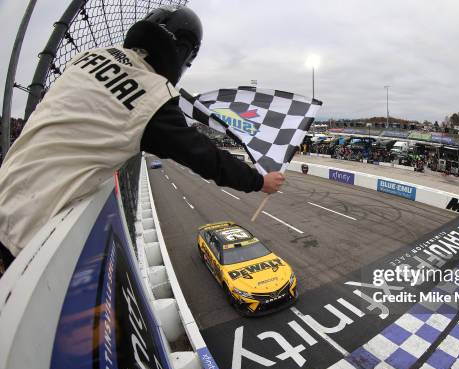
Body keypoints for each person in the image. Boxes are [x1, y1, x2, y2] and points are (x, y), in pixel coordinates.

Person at [0, 6, 284, 276]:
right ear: (182, 54)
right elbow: (205, 156)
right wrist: (259, 182)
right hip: (28, 237)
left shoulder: (88, 57)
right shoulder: (154, 96)